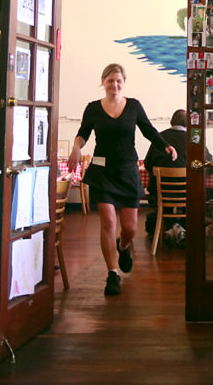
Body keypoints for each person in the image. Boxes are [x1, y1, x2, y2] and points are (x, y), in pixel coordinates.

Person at [67, 63, 177, 296]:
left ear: (123, 82)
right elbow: (83, 133)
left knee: (129, 227)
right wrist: (76, 148)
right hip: (102, 171)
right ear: (103, 82)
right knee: (108, 222)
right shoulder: (93, 108)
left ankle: (124, 246)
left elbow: (148, 130)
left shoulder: (134, 106)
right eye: (110, 81)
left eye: (118, 81)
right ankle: (112, 273)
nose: (114, 85)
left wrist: (165, 145)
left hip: (127, 170)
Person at [143, 109, 188, 239]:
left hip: (161, 191)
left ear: (170, 122)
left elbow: (147, 164)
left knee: (159, 196)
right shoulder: (193, 139)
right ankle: (181, 228)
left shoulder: (160, 138)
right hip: (186, 191)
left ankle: (168, 227)